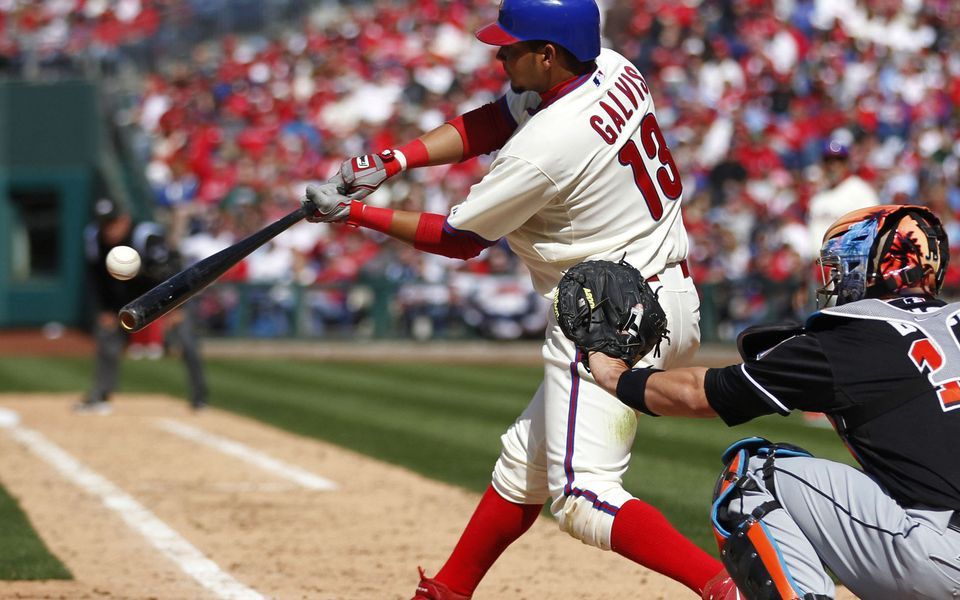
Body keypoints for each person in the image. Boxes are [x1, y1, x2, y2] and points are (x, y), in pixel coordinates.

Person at [299, 1, 735, 598]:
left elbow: (460, 239)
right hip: (668, 294)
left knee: (584, 497)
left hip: (607, 316)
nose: (500, 55)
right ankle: (447, 590)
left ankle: (726, 588)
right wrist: (394, 161)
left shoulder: (547, 145)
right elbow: (498, 118)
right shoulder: (613, 66)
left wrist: (355, 214)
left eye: (511, 47)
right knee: (523, 466)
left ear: (548, 55)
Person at [586, 204, 960, 599]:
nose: (834, 278)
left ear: (874, 268)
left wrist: (616, 376)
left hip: (943, 559)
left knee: (752, 475)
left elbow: (700, 394)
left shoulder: (848, 337)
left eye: (842, 266)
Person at [77, 197, 208, 413]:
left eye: (112, 223)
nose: (108, 229)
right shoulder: (94, 238)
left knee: (187, 342)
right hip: (126, 297)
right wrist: (105, 309)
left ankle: (199, 397)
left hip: (166, 292)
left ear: (125, 220)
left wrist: (176, 307)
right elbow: (96, 278)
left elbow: (172, 272)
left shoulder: (146, 236)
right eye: (103, 224)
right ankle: (100, 395)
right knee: (107, 337)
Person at [806, 140, 879, 259]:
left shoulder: (861, 192)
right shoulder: (818, 198)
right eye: (828, 161)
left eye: (838, 161)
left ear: (846, 163)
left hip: (849, 263)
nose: (833, 166)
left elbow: (872, 231)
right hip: (818, 264)